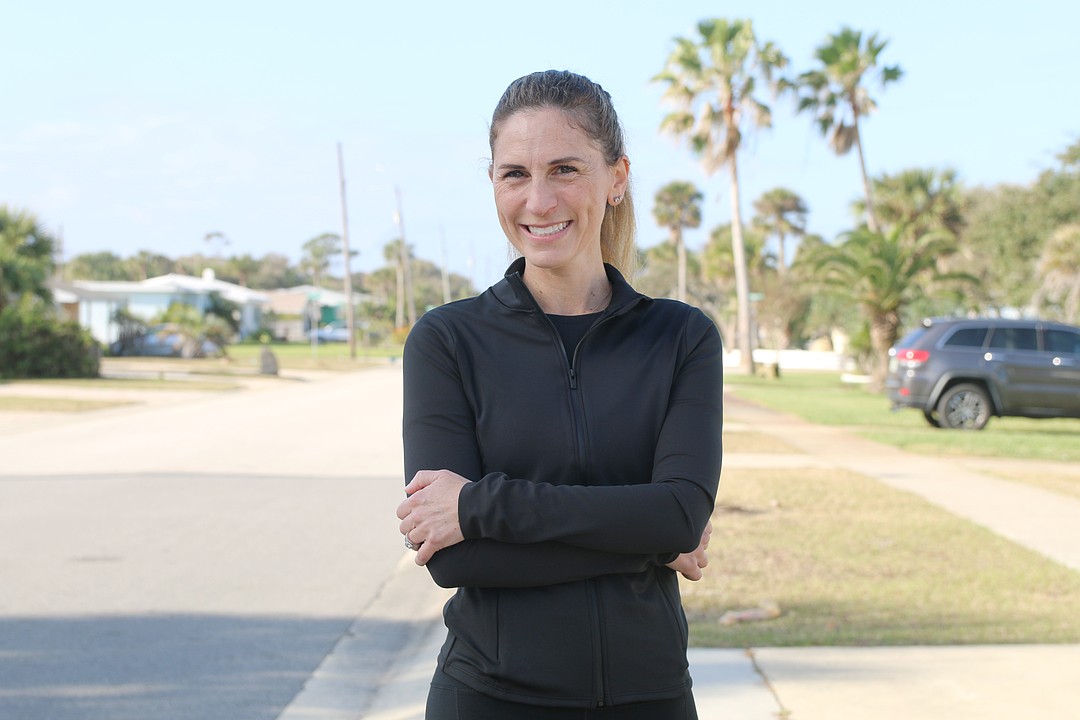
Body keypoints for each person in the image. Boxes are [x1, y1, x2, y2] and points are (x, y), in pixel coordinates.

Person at [396, 69, 723, 719]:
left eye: (565, 170)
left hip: (649, 697)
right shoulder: (448, 340)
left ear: (617, 178)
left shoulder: (681, 338)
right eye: (515, 174)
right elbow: (455, 561)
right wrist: (649, 540)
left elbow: (679, 515)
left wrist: (477, 504)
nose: (538, 201)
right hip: (488, 698)